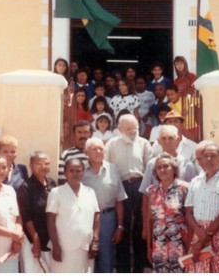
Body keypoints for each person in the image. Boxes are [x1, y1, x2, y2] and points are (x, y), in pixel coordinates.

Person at [104, 114, 152, 273]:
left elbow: (149, 168)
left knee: (140, 228)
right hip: (120, 185)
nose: (133, 131)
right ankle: (123, 270)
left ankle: (139, 269)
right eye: (129, 128)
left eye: (136, 128)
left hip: (140, 186)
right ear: (120, 129)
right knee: (122, 227)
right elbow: (107, 167)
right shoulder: (112, 144)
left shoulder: (144, 143)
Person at [183, 142, 219, 273]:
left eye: (213, 156)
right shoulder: (196, 181)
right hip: (198, 233)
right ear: (200, 159)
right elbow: (188, 212)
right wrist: (199, 234)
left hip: (216, 233)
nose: (208, 159)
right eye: (205, 156)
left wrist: (204, 238)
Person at [81, 138, 127, 273]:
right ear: (86, 152)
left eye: (101, 148)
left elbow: (119, 199)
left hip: (107, 219)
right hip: (86, 219)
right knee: (86, 255)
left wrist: (120, 226)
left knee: (106, 257)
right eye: (94, 149)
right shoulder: (80, 170)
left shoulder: (112, 169)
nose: (99, 151)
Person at [46, 157, 98, 273]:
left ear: (83, 172)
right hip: (64, 247)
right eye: (71, 171)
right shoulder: (56, 192)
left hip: (85, 246)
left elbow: (96, 216)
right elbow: (50, 220)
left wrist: (95, 241)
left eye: (78, 171)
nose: (75, 174)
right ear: (65, 173)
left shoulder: (90, 192)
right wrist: (55, 246)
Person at [143, 155, 190, 273]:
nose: (162, 170)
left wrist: (190, 245)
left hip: (180, 242)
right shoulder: (152, 190)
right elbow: (149, 220)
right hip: (158, 243)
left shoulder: (185, 188)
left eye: (166, 166)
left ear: (174, 169)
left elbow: (190, 218)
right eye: (159, 167)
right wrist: (149, 247)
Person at [17, 151, 56, 273]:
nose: (44, 166)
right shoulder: (25, 187)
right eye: (39, 163)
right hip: (32, 240)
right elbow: (26, 216)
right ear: (31, 165)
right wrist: (35, 239)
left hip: (50, 238)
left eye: (47, 163)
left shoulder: (51, 184)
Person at [139, 125, 199, 195]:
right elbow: (145, 193)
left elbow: (192, 190)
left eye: (171, 138)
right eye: (163, 138)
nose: (167, 141)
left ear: (178, 140)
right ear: (159, 141)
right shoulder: (152, 164)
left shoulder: (187, 164)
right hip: (156, 205)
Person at [58, 120, 91, 185]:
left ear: (91, 134)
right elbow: (62, 179)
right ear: (74, 134)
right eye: (79, 132)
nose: (82, 135)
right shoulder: (66, 154)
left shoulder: (97, 153)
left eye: (86, 132)